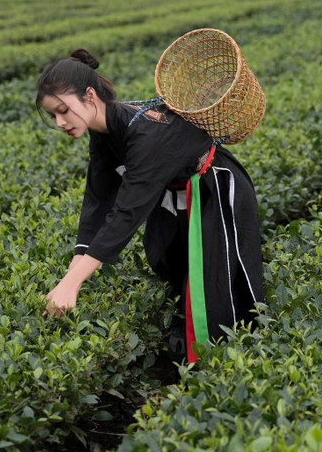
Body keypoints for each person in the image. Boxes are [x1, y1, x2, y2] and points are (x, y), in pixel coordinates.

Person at [36, 48, 264, 363]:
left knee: (213, 287)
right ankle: (183, 361)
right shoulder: (104, 132)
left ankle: (225, 369)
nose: (61, 122)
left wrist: (72, 284)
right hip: (176, 197)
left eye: (63, 110)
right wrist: (72, 272)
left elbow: (126, 213)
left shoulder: (145, 136)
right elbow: (98, 201)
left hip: (214, 189)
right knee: (169, 265)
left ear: (89, 96)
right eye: (53, 116)